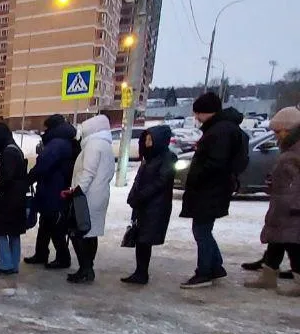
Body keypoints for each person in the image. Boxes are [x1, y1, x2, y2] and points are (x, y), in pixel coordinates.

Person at [179, 92, 247, 288]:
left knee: (201, 231)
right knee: (203, 230)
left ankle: (205, 272)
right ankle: (215, 267)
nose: (196, 117)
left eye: (198, 113)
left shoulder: (220, 131)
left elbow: (215, 162)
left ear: (208, 112)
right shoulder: (222, 128)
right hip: (213, 189)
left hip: (210, 190)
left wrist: (197, 177)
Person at [244, 106, 300, 296]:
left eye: (278, 131)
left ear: (289, 130)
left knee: (293, 245)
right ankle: (268, 277)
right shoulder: (290, 149)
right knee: (276, 241)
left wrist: (294, 205)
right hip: (282, 204)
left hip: (292, 208)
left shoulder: (296, 151)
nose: (275, 136)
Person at [63, 114, 116, 285]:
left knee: (80, 232)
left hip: (87, 197)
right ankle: (87, 268)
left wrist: (76, 191)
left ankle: (85, 269)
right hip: (97, 194)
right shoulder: (105, 145)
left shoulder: (94, 145)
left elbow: (88, 172)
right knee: (90, 233)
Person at [122, 125, 177, 285]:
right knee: (141, 239)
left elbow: (161, 181)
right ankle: (140, 272)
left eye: (150, 139)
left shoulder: (168, 158)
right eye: (146, 139)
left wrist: (141, 196)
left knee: (145, 239)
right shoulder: (148, 158)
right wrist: (133, 196)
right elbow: (139, 180)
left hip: (156, 206)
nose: (147, 142)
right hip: (143, 205)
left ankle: (142, 273)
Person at [25, 114, 78, 269]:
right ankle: (41, 253)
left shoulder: (57, 144)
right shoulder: (64, 141)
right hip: (53, 188)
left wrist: (28, 179)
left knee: (55, 225)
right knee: (46, 223)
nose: (44, 131)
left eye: (46, 127)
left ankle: (63, 258)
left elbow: (43, 164)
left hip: (54, 189)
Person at [0, 122, 29, 275]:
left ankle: (5, 263)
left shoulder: (8, 153)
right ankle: (13, 263)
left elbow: (7, 178)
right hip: (17, 199)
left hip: (10, 200)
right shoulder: (15, 149)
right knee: (13, 232)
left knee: (0, 231)